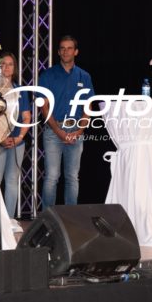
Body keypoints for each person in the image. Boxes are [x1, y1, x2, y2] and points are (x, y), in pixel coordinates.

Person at [38, 35, 94, 208]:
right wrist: (58, 131)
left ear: (76, 52)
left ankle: (71, 218)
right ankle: (48, 217)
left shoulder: (84, 76)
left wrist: (79, 131)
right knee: (52, 177)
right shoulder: (48, 75)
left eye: (69, 48)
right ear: (58, 52)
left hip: (76, 130)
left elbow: (88, 107)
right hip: (53, 130)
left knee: (72, 177)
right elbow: (44, 107)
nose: (66, 51)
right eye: (62, 48)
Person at [0, 52, 31, 231]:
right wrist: (1, 139)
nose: (6, 67)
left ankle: (9, 220)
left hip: (17, 142)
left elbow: (27, 117)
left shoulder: (20, 90)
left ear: (15, 67)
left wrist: (19, 137)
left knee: (12, 180)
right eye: (3, 64)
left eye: (10, 64)